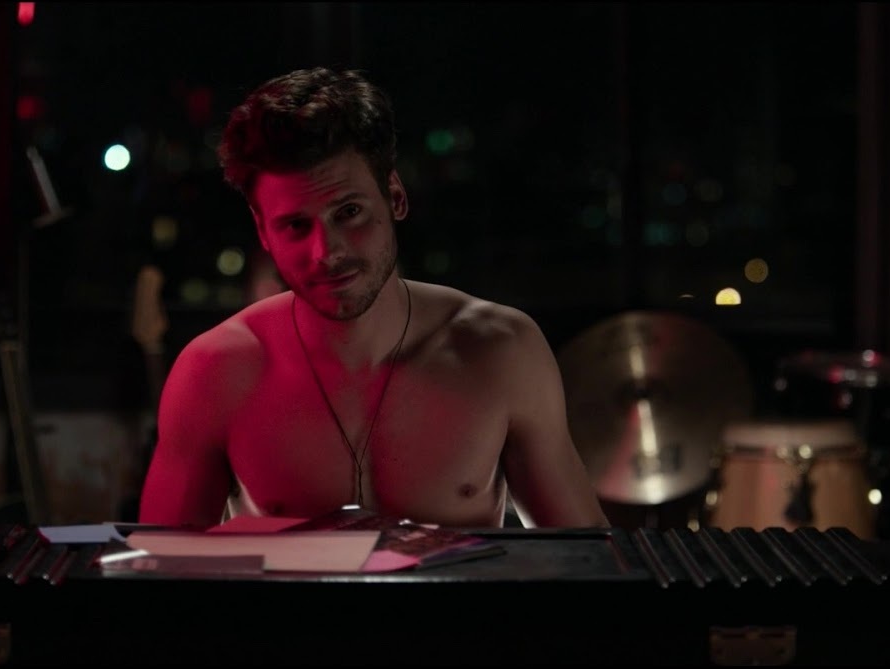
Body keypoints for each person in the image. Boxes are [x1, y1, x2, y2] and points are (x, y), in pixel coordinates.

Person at [138, 67, 608, 529]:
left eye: (349, 212)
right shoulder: (216, 371)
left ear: (395, 197)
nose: (327, 252)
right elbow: (161, 564)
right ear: (263, 231)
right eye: (296, 225)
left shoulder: (501, 351)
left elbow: (585, 559)